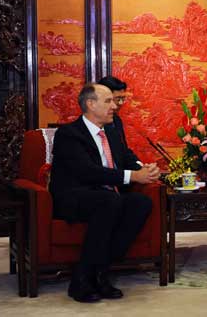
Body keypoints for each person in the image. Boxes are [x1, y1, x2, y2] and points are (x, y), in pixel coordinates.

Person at [49, 83, 160, 303]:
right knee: (109, 201)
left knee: (141, 203)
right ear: (90, 104)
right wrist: (132, 177)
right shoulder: (69, 134)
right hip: (74, 197)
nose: (114, 107)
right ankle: (83, 280)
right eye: (108, 101)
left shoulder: (111, 129)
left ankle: (99, 271)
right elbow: (87, 172)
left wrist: (143, 168)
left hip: (107, 197)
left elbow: (126, 156)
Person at [97, 76, 139, 164]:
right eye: (118, 99)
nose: (121, 103)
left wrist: (141, 167)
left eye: (123, 99)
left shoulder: (116, 120)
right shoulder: (92, 124)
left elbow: (123, 151)